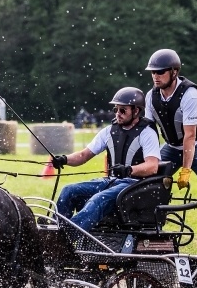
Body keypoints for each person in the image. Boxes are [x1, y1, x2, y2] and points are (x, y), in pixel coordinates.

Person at [143, 49, 197, 256]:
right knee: (144, 184)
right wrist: (147, 163)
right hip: (172, 147)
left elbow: (189, 136)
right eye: (153, 72)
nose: (155, 76)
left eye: (160, 72)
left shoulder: (190, 94)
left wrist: (185, 170)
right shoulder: (151, 96)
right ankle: (147, 235)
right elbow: (148, 131)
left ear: (174, 72)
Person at [52, 87, 160, 233]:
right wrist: (64, 159)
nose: (118, 114)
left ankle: (65, 237)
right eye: (116, 109)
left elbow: (152, 166)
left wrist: (129, 170)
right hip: (111, 182)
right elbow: (84, 155)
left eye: (123, 110)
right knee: (69, 190)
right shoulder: (109, 131)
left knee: (98, 200)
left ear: (136, 111)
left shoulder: (147, 133)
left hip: (134, 185)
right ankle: (54, 230)